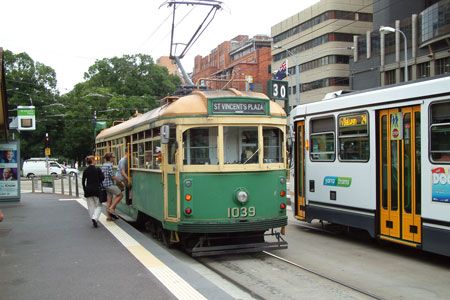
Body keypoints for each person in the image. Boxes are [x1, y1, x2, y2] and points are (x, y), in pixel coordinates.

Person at [82, 155, 104, 228]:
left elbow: (83, 181)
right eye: (95, 160)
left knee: (91, 206)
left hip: (88, 190)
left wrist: (85, 189)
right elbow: (102, 179)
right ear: (93, 161)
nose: (96, 161)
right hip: (96, 190)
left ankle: (93, 218)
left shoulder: (86, 170)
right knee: (99, 205)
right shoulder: (98, 169)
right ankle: (95, 218)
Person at [101, 152, 122, 219]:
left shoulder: (104, 164)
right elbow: (112, 176)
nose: (114, 158)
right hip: (109, 184)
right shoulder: (109, 165)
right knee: (120, 195)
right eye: (113, 157)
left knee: (109, 200)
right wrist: (119, 181)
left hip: (105, 184)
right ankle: (111, 208)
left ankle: (108, 217)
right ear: (110, 158)